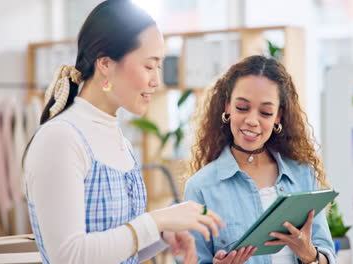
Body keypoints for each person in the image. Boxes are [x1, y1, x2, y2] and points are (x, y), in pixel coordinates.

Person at [23, 1, 224, 263]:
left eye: (159, 67)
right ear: (105, 63)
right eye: (149, 66)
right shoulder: (60, 139)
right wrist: (157, 220)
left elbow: (118, 250)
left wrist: (163, 234)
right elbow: (68, 255)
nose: (157, 81)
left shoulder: (120, 141)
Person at [184, 55, 336, 264]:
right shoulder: (201, 188)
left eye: (265, 112)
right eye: (242, 108)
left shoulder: (302, 174)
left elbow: (328, 254)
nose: (252, 120)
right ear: (227, 106)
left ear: (278, 117)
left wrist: (310, 255)